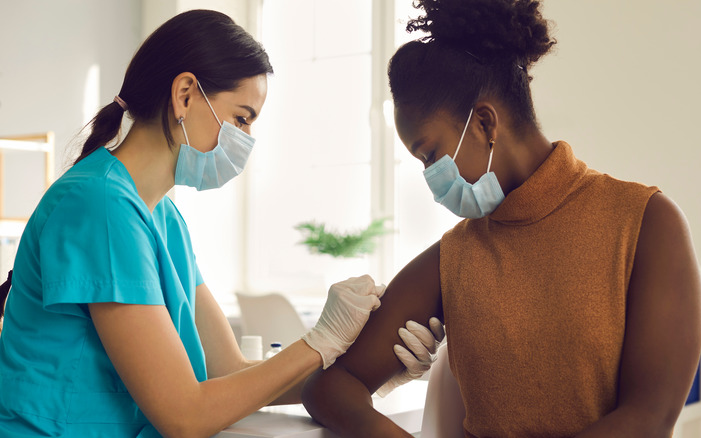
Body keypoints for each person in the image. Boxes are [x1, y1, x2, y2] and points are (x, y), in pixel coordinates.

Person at [0, 10, 440, 438]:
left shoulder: (162, 217)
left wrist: (372, 374)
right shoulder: (99, 205)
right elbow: (184, 416)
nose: (246, 140)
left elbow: (227, 372)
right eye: (241, 118)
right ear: (186, 94)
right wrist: (319, 340)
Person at [301, 1, 701, 437]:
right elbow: (330, 386)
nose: (431, 178)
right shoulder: (456, 255)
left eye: (431, 155)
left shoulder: (645, 224)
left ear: (484, 122)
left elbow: (649, 419)